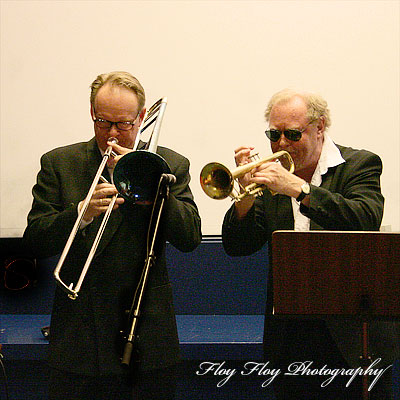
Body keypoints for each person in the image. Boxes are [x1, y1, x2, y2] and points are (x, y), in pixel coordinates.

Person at [23, 71, 202, 400]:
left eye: (123, 124)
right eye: (103, 123)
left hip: (146, 341)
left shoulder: (169, 165)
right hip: (79, 342)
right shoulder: (60, 163)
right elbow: (35, 239)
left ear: (142, 118)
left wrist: (153, 192)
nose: (112, 134)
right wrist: (80, 214)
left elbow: (190, 237)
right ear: (92, 113)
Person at [222, 89, 399, 399]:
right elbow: (238, 246)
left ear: (320, 127)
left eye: (292, 133)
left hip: (352, 334)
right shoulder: (269, 178)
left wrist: (300, 190)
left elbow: (364, 219)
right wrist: (246, 196)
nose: (281, 144)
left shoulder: (359, 164)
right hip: (289, 336)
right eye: (273, 134)